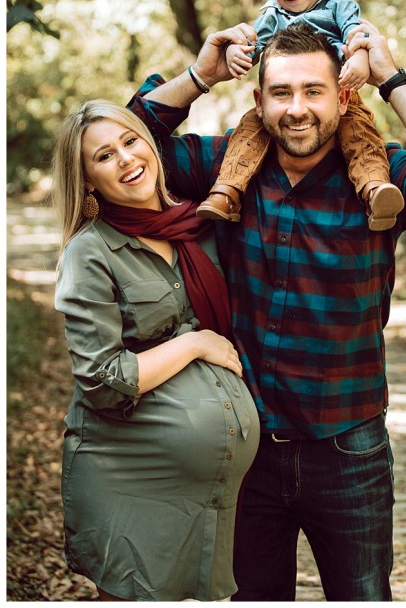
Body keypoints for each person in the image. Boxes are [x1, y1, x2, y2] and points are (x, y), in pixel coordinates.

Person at [126, 19, 406, 600]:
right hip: (243, 447)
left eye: (313, 91)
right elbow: (128, 142)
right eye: (282, 92)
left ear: (343, 97)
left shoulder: (381, 181)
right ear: (259, 99)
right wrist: (198, 76)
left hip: (348, 446)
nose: (297, 109)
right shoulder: (226, 173)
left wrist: (391, 77)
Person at [52, 101, 259, 600]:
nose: (125, 159)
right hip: (129, 478)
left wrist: (206, 73)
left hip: (210, 494)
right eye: (103, 156)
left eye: (130, 141)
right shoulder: (91, 252)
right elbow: (102, 379)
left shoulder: (200, 225)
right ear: (86, 181)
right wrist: (193, 343)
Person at [197, 0, 404, 230]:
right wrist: (235, 54)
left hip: (338, 93)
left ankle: (375, 189)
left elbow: (358, 37)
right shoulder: (273, 12)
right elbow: (253, 44)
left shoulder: (339, 5)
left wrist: (359, 60)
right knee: (247, 132)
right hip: (278, 103)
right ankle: (227, 191)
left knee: (360, 137)